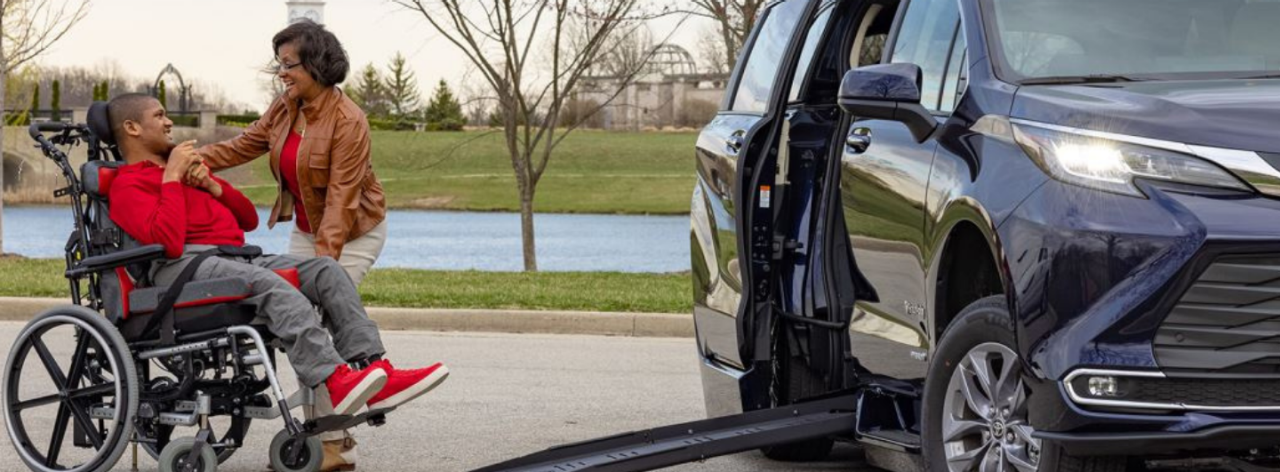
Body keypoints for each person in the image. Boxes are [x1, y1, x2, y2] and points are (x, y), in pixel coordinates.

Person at [105, 93, 447, 471]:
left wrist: (212, 187)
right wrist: (171, 178)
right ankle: (334, 379)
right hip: (183, 268)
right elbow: (167, 243)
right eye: (160, 115)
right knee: (269, 285)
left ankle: (375, 370)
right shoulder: (126, 184)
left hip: (231, 256)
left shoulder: (185, 173)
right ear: (132, 128)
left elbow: (248, 219)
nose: (169, 122)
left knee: (325, 271)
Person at [196, 19, 387, 286]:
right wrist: (180, 160)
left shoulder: (348, 121)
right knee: (294, 303)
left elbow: (340, 201)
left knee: (329, 300)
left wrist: (324, 267)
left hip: (353, 232)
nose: (281, 73)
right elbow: (239, 147)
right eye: (279, 65)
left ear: (316, 64)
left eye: (288, 64)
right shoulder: (284, 106)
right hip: (306, 229)